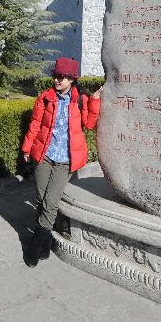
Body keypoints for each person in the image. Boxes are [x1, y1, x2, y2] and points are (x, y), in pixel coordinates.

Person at [21, 57, 101, 267]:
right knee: (40, 198)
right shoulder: (45, 98)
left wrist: (94, 101)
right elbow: (36, 123)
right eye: (55, 76)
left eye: (62, 77)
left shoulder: (79, 101)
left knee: (50, 203)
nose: (57, 80)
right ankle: (47, 243)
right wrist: (27, 148)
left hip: (65, 160)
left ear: (72, 80)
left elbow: (90, 124)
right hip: (45, 155)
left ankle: (34, 246)